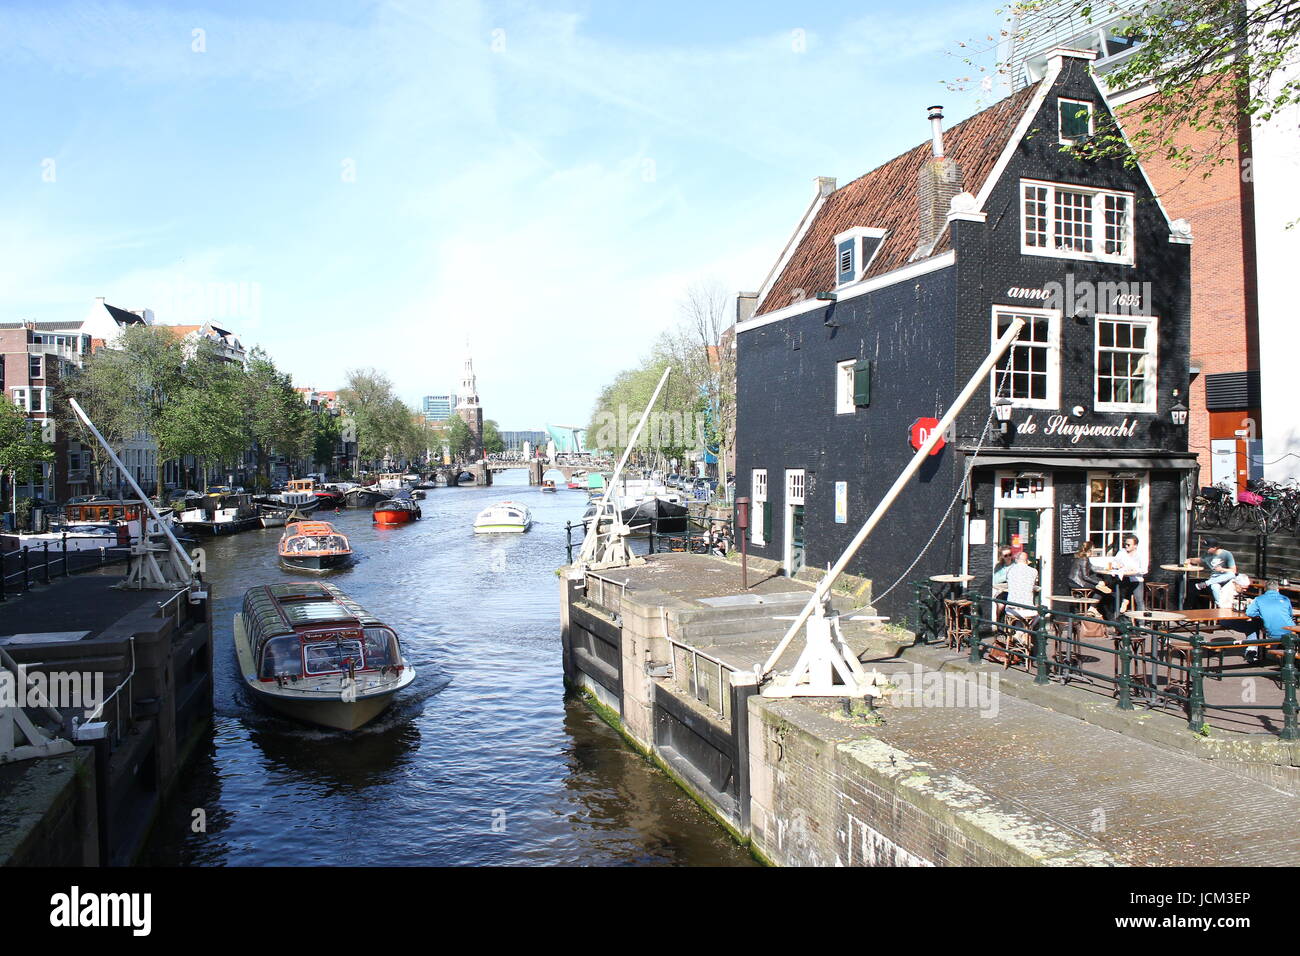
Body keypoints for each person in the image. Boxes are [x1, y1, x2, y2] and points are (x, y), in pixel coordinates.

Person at [1242, 580, 1296, 663]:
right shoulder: (1285, 599)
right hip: (1290, 630)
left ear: (1265, 589)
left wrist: (1261, 613)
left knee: (1256, 624)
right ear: (1277, 589)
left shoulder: (1259, 599)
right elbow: (1290, 614)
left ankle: (1256, 652)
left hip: (1273, 632)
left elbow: (1249, 613)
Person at [1191, 537, 1238, 609]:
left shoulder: (1226, 554)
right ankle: (1221, 606)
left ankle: (1206, 583)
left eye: (1207, 548)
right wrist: (1189, 560)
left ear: (1214, 548)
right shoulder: (1207, 555)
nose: (1206, 549)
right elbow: (1198, 560)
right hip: (1215, 578)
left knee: (1232, 574)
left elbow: (1234, 571)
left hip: (1226, 578)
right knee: (1214, 586)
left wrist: (1222, 569)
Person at [1107, 534, 1147, 614]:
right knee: (1116, 596)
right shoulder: (1122, 552)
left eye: (1128, 545)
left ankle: (1141, 621)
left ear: (1135, 546)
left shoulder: (1140, 555)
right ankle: (1118, 614)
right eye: (1125, 544)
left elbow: (1144, 569)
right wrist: (1117, 565)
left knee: (1139, 601)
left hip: (1136, 579)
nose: (1126, 546)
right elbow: (1114, 563)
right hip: (1123, 578)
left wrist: (1134, 570)